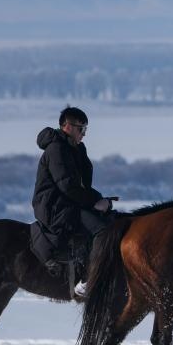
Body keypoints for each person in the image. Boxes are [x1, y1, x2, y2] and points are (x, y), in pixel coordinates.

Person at [31, 106, 114, 275]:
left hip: (70, 202)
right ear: (67, 126)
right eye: (81, 129)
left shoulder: (75, 148)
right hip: (55, 208)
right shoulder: (56, 149)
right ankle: (87, 279)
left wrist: (98, 199)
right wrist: (95, 201)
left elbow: (82, 185)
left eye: (85, 129)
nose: (84, 134)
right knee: (102, 231)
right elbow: (67, 186)